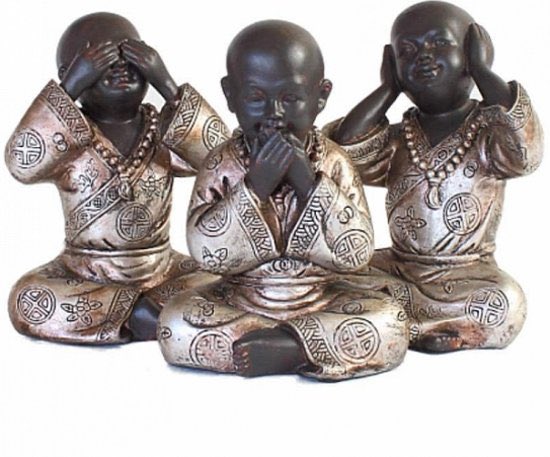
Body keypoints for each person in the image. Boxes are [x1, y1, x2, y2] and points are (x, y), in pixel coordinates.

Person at [156, 20, 408, 381]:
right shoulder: (221, 163)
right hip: (241, 297)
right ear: (230, 95)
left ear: (321, 96)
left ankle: (285, 349)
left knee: (390, 320)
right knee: (174, 323)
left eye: (290, 99)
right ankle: (305, 345)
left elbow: (356, 253)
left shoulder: (334, 161)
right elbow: (206, 253)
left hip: (322, 295)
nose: (274, 113)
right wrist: (256, 186)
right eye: (256, 98)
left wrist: (308, 183)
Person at [326, 1, 543, 352]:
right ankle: (413, 326)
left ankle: (396, 325)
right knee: (328, 271)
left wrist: (484, 72)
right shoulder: (399, 139)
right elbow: (341, 155)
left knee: (507, 302)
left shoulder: (489, 134)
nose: (423, 57)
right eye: (407, 51)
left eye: (439, 44)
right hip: (396, 269)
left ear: (472, 52)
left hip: (467, 274)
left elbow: (525, 153)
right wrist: (387, 90)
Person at [5, 12, 228, 344]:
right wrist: (67, 89)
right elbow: (21, 163)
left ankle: (141, 314)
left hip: (164, 270)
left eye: (130, 54)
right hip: (83, 274)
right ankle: (147, 316)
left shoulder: (162, 129)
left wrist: (168, 86)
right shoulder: (69, 137)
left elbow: (221, 160)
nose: (120, 66)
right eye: (100, 58)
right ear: (70, 72)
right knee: (27, 299)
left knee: (226, 277)